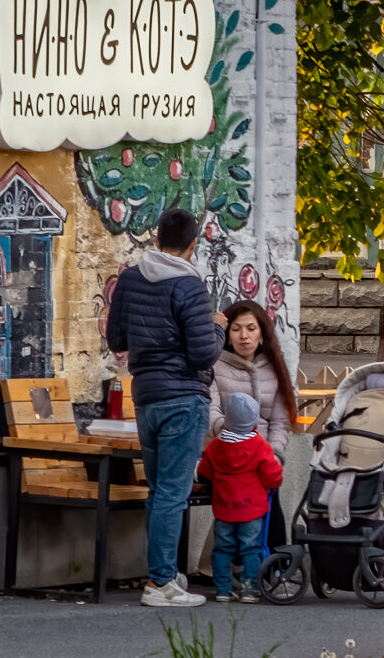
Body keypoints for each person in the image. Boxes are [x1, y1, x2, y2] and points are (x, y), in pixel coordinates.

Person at [106, 208, 226, 608]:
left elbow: (116, 339)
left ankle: (164, 574)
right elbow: (203, 353)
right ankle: (159, 584)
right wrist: (218, 327)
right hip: (183, 399)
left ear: (157, 241)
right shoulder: (189, 286)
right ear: (193, 245)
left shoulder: (131, 277)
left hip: (146, 397)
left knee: (159, 491)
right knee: (173, 493)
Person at [209, 300, 295, 547]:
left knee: (269, 485)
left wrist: (274, 454)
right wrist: (238, 443)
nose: (243, 336)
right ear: (227, 333)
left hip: (264, 454)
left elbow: (280, 422)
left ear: (262, 333)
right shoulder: (214, 365)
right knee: (247, 487)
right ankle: (245, 563)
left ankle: (273, 563)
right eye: (236, 329)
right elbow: (212, 413)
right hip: (226, 451)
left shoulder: (275, 367)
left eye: (251, 328)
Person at [197, 393, 284, 603]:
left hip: (224, 509)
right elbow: (273, 476)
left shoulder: (216, 446)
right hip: (252, 510)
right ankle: (248, 589)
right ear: (254, 421)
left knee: (222, 550)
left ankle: (223, 590)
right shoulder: (259, 446)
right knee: (251, 549)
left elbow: (204, 472)